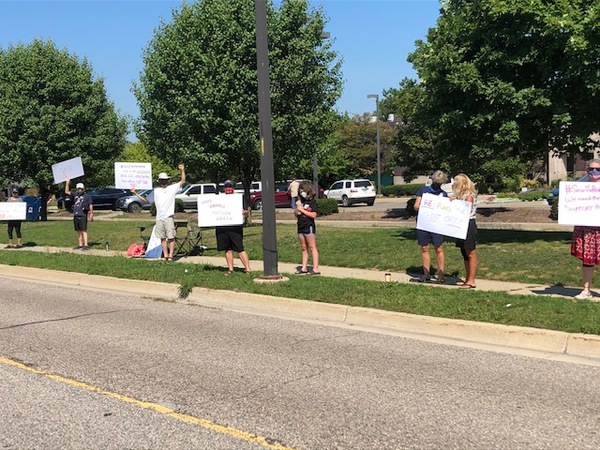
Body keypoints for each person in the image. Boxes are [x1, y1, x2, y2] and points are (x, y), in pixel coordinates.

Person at [132, 164, 186, 261]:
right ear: (159, 181)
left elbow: (183, 181)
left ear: (167, 181)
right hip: (159, 218)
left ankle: (170, 255)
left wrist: (182, 170)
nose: (163, 182)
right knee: (162, 238)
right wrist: (135, 193)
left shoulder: (172, 188)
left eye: (165, 180)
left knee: (171, 237)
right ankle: (165, 255)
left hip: (169, 217)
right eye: (162, 180)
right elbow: (146, 200)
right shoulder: (156, 191)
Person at [571, 159, 600, 299]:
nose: (594, 172)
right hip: (586, 228)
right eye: (591, 169)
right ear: (587, 171)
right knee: (587, 261)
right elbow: (571, 206)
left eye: (598, 169)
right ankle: (586, 290)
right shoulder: (579, 188)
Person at [413, 170, 448, 283]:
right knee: (424, 248)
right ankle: (426, 274)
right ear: (432, 180)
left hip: (437, 224)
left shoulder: (443, 194)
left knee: (438, 248)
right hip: (424, 223)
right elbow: (416, 206)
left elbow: (447, 209)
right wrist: (426, 207)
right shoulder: (423, 191)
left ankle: (441, 274)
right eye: (437, 181)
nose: (438, 184)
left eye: (440, 182)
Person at [215, 180, 251, 275]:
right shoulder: (219, 199)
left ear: (233, 188)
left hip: (235, 227)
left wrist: (244, 212)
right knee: (227, 249)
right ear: (224, 189)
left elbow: (246, 211)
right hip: (222, 227)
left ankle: (248, 269)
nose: (228, 189)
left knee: (239, 248)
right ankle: (230, 269)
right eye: (226, 187)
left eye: (230, 187)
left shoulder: (238, 198)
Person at [451, 173, 478, 288]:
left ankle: (471, 280)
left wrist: (455, 203)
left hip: (468, 224)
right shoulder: (460, 196)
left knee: (470, 252)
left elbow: (466, 208)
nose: (454, 184)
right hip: (461, 225)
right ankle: (467, 279)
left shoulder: (469, 195)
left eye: (456, 182)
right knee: (464, 253)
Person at [295, 181, 320, 275]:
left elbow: (314, 215)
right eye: (300, 191)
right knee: (304, 248)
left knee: (312, 247)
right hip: (300, 226)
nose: (302, 192)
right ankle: (304, 268)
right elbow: (297, 214)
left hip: (308, 226)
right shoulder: (301, 202)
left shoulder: (312, 202)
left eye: (303, 190)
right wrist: (298, 208)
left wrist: (302, 210)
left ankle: (315, 268)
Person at [65, 180, 93, 250]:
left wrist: (91, 213)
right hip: (76, 214)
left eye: (81, 189)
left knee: (83, 230)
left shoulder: (87, 196)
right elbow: (66, 192)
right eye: (78, 189)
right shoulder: (75, 195)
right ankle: (80, 244)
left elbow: (90, 205)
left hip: (83, 215)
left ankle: (86, 244)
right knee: (78, 230)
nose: (79, 190)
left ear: (83, 189)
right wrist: (67, 183)